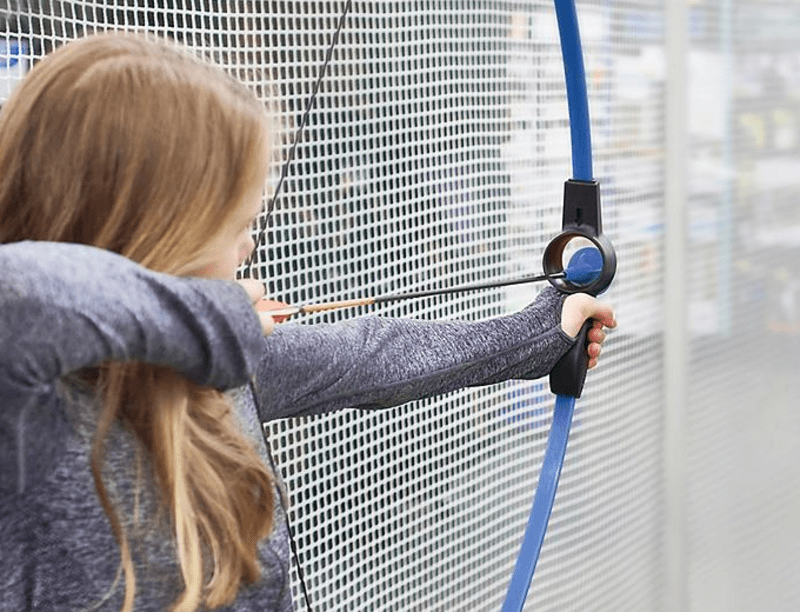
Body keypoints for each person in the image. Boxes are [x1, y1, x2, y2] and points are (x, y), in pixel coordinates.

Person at [0, 32, 616, 612]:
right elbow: (17, 294)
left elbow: (371, 354)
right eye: (238, 224)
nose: (249, 246)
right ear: (161, 226)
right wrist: (213, 319)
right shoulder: (30, 409)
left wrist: (542, 333)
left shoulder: (212, 369)